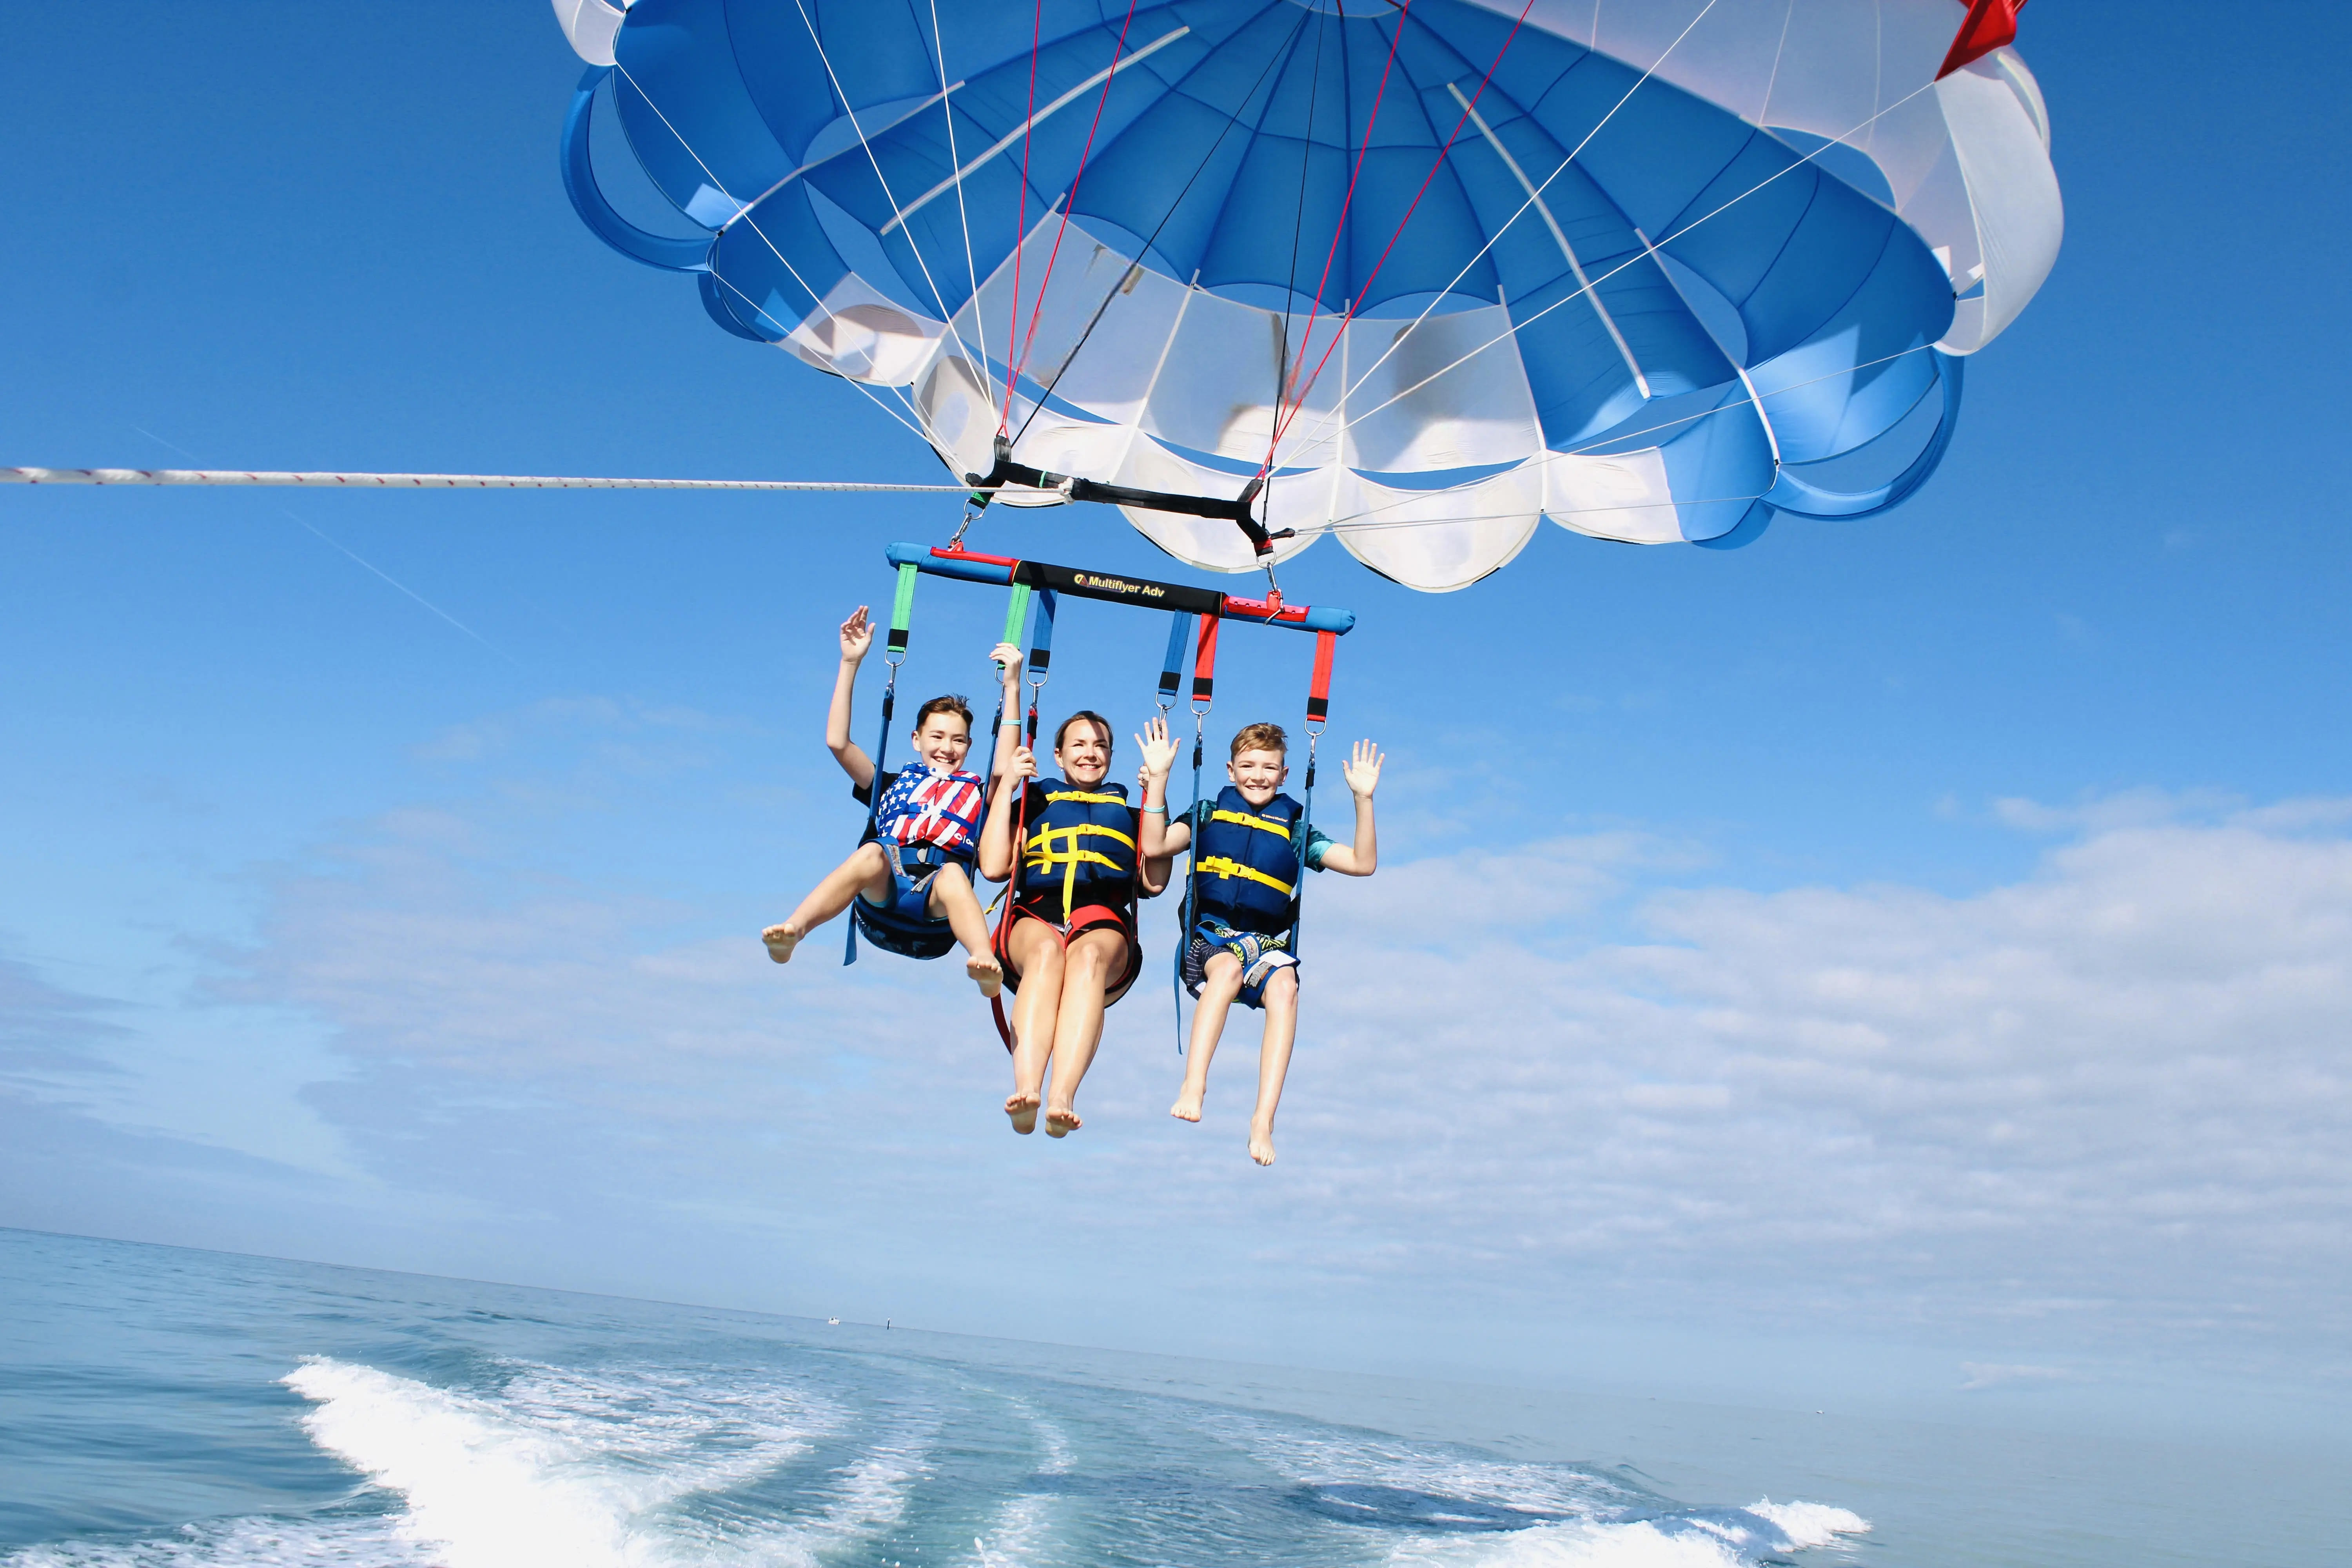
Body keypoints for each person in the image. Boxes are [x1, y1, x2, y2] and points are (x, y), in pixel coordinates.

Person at [1136, 719, 1382, 1166]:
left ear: (1284, 775)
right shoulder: (1207, 813)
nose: (1258, 776)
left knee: (1286, 986)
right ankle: (1194, 1083)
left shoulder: (1294, 829)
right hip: (1210, 938)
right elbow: (1155, 846)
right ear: (1231, 770)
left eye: (1269, 768)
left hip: (1265, 944)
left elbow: (1362, 864)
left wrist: (1363, 800)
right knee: (1228, 968)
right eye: (1248, 766)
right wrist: (1158, 779)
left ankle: (1263, 1119)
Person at [761, 606, 1023, 996]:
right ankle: (794, 930)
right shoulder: (891, 784)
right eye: (937, 737)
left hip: (937, 907)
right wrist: (850, 663)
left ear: (969, 746)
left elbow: (1006, 766)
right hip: (882, 895)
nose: (947, 748)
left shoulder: (980, 794)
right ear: (917, 740)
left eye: (958, 740)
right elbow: (838, 743)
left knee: (954, 874)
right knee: (871, 853)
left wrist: (1012, 687)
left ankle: (984, 962)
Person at [977, 711, 1169, 1138]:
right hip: (1036, 914)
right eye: (1079, 744)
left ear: (1111, 756)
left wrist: (1158, 786)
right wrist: (1007, 785)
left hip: (1103, 920)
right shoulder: (1033, 804)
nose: (1090, 753)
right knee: (1047, 954)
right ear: (1058, 755)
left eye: (1100, 746)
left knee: (1088, 958)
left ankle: (1062, 1097)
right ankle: (1027, 1089)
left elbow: (1155, 881)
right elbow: (991, 866)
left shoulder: (1132, 812)